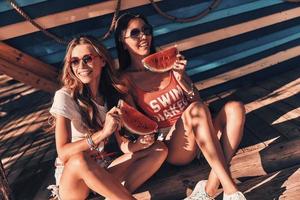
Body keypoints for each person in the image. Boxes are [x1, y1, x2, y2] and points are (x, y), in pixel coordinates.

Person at [113, 13, 247, 200]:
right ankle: (231, 191)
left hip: (203, 129)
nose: (143, 36)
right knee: (197, 110)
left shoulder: (170, 63)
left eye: (146, 30)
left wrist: (182, 79)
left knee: (236, 108)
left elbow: (196, 99)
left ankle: (209, 188)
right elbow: (135, 124)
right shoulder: (125, 80)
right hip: (177, 145)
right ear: (122, 39)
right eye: (135, 33)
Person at [48, 35, 168, 200]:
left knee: (159, 149)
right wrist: (103, 134)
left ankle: (112, 195)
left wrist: (138, 144)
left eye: (87, 59)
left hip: (103, 171)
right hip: (74, 184)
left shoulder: (111, 96)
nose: (81, 66)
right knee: (80, 159)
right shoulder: (65, 96)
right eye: (74, 61)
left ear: (103, 61)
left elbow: (124, 145)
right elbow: (63, 152)